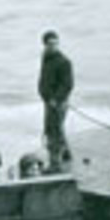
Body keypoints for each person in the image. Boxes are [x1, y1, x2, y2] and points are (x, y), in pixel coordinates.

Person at [37, 30, 74, 172]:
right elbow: (44, 80)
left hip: (59, 102)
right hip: (48, 102)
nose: (53, 46)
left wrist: (56, 99)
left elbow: (68, 85)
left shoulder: (64, 62)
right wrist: (45, 97)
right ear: (45, 45)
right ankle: (66, 155)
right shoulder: (46, 57)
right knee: (55, 128)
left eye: (55, 43)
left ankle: (55, 164)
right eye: (50, 44)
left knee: (53, 132)